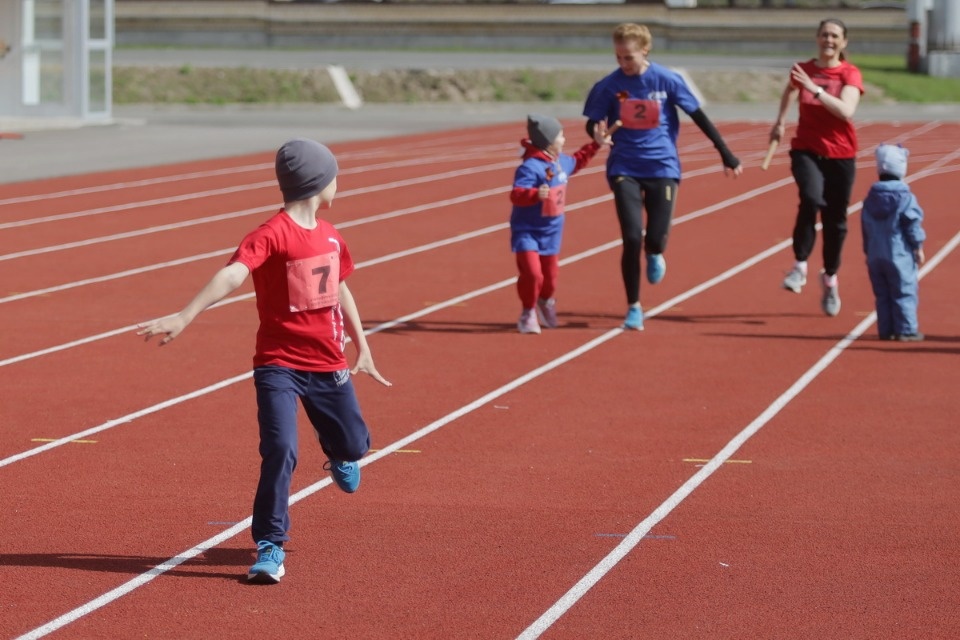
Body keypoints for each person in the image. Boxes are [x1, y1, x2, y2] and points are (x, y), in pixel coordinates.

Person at [137, 138, 391, 584]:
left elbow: (341, 288)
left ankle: (340, 453)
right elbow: (235, 272)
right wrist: (186, 313)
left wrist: (362, 344)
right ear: (319, 184)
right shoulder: (271, 234)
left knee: (354, 444)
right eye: (335, 176)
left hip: (328, 362)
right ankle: (270, 543)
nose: (338, 184)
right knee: (280, 450)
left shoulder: (332, 235)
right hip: (278, 364)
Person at [583, 22, 742, 331]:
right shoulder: (609, 85)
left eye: (628, 57)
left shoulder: (667, 80)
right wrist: (597, 134)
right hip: (624, 167)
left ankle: (655, 252)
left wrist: (725, 153)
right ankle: (634, 307)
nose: (623, 64)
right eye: (618, 57)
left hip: (662, 167)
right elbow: (593, 121)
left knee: (654, 237)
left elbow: (698, 116)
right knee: (631, 237)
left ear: (645, 50)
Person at [770, 18, 864, 317]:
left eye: (835, 36)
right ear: (817, 38)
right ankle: (799, 266)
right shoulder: (803, 69)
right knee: (811, 199)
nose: (829, 40)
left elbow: (846, 110)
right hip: (806, 150)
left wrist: (816, 89)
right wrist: (781, 121)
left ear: (843, 42)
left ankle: (830, 277)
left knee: (836, 220)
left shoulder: (849, 73)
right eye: (824, 34)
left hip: (841, 154)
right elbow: (790, 90)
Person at [510, 113, 603, 334]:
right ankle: (528, 312)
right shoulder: (530, 167)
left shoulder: (561, 163)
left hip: (551, 233)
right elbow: (516, 194)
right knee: (533, 274)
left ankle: (546, 302)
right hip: (527, 231)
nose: (564, 140)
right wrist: (534, 194)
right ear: (548, 141)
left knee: (550, 280)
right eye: (561, 136)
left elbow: (578, 160)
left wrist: (596, 144)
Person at [861, 143, 926, 342]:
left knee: (882, 294)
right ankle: (905, 330)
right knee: (904, 291)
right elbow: (912, 224)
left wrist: (868, 250)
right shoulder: (905, 198)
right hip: (899, 254)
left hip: (875, 255)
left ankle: (886, 329)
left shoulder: (869, 199)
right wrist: (918, 246)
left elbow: (865, 227)